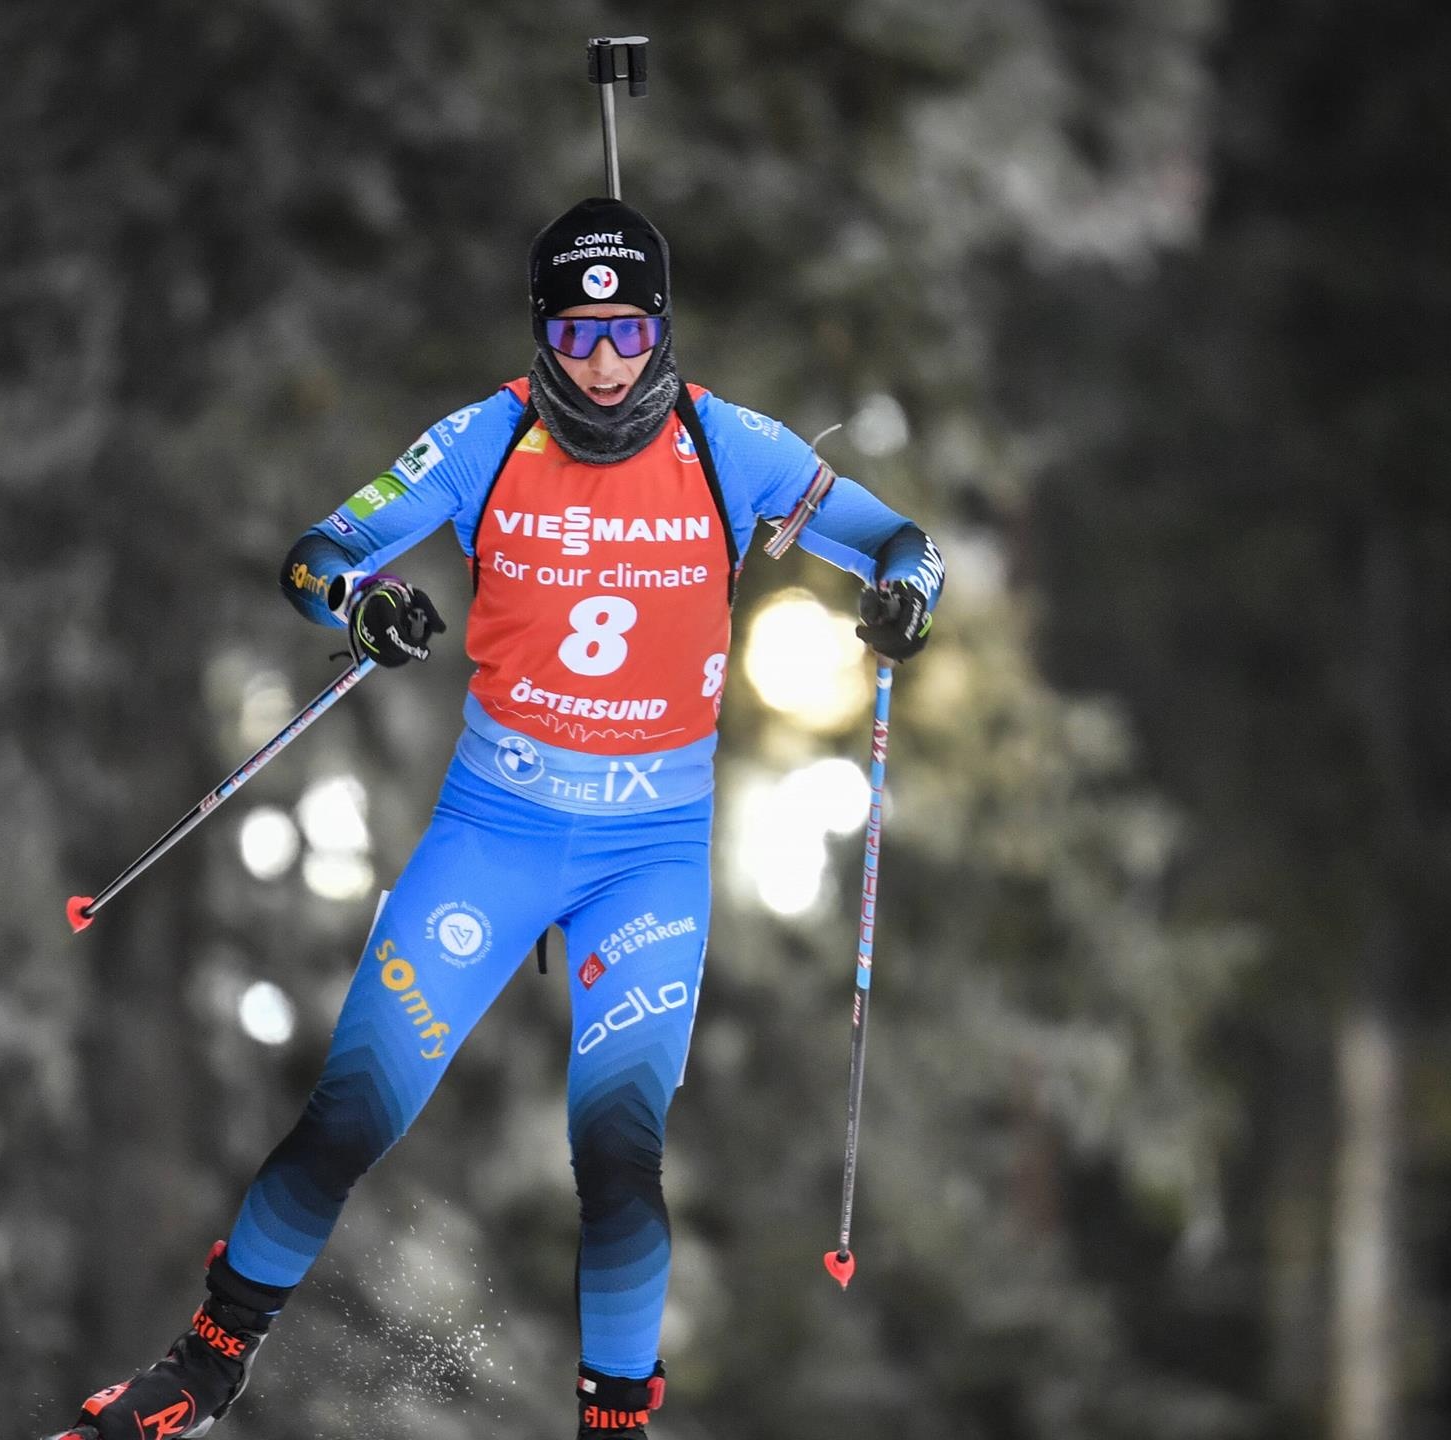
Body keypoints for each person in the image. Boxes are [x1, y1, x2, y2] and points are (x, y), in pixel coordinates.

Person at [53, 197, 943, 1440]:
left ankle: (615, 1428)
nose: (604, 365)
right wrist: (358, 608)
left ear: (661, 328)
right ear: (542, 334)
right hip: (496, 836)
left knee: (620, 1159)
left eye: (628, 333)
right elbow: (320, 552)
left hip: (648, 856)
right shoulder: (487, 438)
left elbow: (899, 541)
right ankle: (199, 1373)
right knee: (350, 1116)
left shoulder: (725, 445)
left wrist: (904, 589)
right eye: (577, 338)